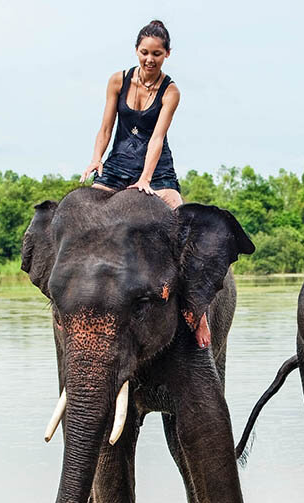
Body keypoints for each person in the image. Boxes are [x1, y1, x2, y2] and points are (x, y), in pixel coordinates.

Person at [81, 20, 211, 348]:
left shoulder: (171, 91)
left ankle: (199, 311)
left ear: (167, 54)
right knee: (83, 218)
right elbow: (106, 126)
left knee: (181, 226)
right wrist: (96, 158)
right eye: (144, 52)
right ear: (136, 51)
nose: (149, 59)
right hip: (115, 169)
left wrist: (146, 179)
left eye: (156, 54)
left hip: (158, 172)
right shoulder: (117, 81)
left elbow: (157, 138)